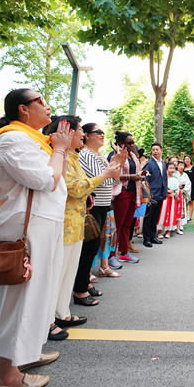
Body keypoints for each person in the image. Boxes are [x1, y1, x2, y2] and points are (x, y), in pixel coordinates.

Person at [0, 89, 70, 387]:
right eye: (40, 101)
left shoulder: (33, 139)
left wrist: (57, 149)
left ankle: (26, 355)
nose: (48, 106)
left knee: (40, 295)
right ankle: (7, 377)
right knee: (21, 300)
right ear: (23, 109)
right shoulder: (12, 139)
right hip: (27, 225)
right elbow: (44, 180)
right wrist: (60, 149)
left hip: (43, 222)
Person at [46, 116, 123, 338]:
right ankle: (49, 320)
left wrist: (108, 173)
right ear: (66, 132)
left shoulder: (73, 157)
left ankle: (62, 313)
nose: (82, 133)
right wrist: (105, 176)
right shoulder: (61, 157)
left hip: (76, 222)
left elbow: (86, 187)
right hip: (65, 224)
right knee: (58, 274)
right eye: (80, 129)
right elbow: (76, 189)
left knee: (69, 271)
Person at [78, 123, 120, 296]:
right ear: (87, 135)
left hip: (103, 204)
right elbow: (104, 180)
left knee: (93, 247)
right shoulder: (86, 154)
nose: (102, 135)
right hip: (93, 206)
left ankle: (84, 284)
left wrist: (115, 165)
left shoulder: (100, 155)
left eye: (103, 132)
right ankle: (81, 286)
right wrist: (112, 170)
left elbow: (115, 179)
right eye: (98, 132)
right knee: (89, 247)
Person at [111, 131, 141, 264]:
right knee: (117, 224)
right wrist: (130, 177)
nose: (131, 145)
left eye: (132, 143)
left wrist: (140, 174)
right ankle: (111, 256)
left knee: (127, 225)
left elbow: (135, 172)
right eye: (129, 143)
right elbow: (113, 175)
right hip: (121, 193)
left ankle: (124, 252)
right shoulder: (115, 155)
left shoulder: (133, 156)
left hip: (133, 192)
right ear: (121, 143)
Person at [142, 143, 168, 246]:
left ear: (161, 151)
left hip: (160, 194)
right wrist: (148, 196)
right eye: (153, 150)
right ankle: (146, 239)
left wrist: (164, 193)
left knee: (155, 217)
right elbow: (146, 180)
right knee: (148, 217)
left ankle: (153, 236)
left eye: (157, 149)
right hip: (152, 195)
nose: (155, 151)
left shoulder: (163, 163)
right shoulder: (149, 163)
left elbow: (164, 179)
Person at [157, 162, 181, 237]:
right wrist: (167, 191)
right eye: (170, 168)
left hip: (172, 200)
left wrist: (174, 194)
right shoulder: (163, 178)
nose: (172, 170)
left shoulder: (175, 179)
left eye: (173, 168)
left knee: (171, 214)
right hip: (165, 199)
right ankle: (160, 231)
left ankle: (168, 231)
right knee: (162, 214)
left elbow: (177, 189)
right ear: (166, 169)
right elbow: (160, 188)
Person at [176, 161, 192, 232]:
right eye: (180, 165)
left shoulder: (185, 175)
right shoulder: (174, 174)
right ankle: (174, 224)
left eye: (183, 165)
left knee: (182, 208)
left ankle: (181, 224)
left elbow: (188, 184)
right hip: (175, 193)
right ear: (177, 166)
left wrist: (184, 190)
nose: (181, 167)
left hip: (182, 192)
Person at [183, 155, 194, 221]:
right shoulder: (183, 168)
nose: (187, 160)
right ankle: (184, 216)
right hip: (184, 187)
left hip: (192, 187)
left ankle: (190, 217)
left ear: (190, 160)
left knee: (191, 202)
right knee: (185, 202)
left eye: (188, 159)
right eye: (186, 159)